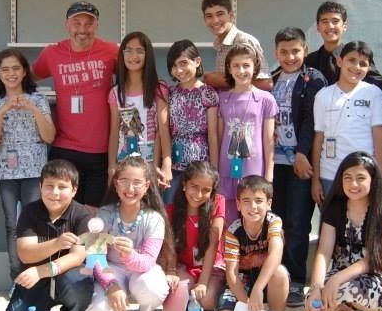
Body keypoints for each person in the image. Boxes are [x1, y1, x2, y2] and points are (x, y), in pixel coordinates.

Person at [305, 152, 382, 311]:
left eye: (361, 178)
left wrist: (336, 280)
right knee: (315, 298)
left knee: (346, 288)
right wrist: (316, 287)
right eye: (347, 178)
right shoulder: (334, 207)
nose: (353, 184)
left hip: (376, 275)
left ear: (373, 180)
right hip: (342, 272)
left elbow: (371, 261)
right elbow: (324, 252)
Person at [32, 1, 119, 206]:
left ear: (96, 26)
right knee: (62, 212)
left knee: (92, 216)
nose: (82, 29)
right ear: (67, 25)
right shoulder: (52, 53)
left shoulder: (111, 51)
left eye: (88, 24)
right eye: (76, 23)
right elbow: (24, 79)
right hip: (65, 149)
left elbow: (135, 75)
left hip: (101, 151)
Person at [1, 160, 95, 311]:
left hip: (66, 278)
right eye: (49, 186)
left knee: (80, 280)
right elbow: (25, 254)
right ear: (40, 187)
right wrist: (56, 244)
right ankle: (39, 309)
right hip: (35, 282)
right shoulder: (29, 212)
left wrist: (43, 270)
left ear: (74, 190)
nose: (55, 193)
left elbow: (78, 257)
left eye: (62, 187)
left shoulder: (82, 215)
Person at [0, 48, 56, 280]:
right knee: (12, 225)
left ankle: (37, 275)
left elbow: (49, 136)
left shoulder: (38, 99)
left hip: (35, 172)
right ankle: (17, 276)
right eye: (5, 69)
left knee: (35, 222)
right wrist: (2, 111)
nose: (11, 74)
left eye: (16, 68)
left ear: (25, 71)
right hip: (7, 174)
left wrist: (32, 108)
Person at [269, 27, 328, 307]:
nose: (290, 56)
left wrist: (303, 153)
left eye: (295, 51)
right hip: (275, 163)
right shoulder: (271, 79)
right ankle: (274, 277)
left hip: (299, 164)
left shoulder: (313, 79)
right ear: (276, 52)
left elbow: (311, 120)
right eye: (284, 51)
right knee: (276, 222)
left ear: (305, 50)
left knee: (297, 222)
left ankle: (295, 281)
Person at [85, 156, 172, 311]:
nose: (130, 189)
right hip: (112, 268)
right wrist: (111, 286)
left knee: (153, 289)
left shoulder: (154, 218)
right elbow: (95, 257)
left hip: (141, 271)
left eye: (137, 183)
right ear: (116, 184)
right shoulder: (104, 214)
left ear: (146, 186)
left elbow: (148, 261)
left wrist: (130, 254)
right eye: (124, 181)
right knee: (99, 309)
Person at [217, 175, 293, 311]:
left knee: (279, 272)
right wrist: (247, 305)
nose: (253, 207)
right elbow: (231, 274)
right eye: (246, 201)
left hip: (265, 280)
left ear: (269, 203)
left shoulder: (273, 222)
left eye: (259, 201)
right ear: (238, 204)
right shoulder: (233, 231)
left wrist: (258, 288)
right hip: (242, 279)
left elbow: (276, 253)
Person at [311, 41, 382, 206]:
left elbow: (380, 138)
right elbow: (318, 140)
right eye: (351, 60)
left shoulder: (373, 93)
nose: (356, 67)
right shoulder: (323, 95)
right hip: (329, 175)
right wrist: (316, 180)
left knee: (362, 220)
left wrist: (379, 177)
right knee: (331, 221)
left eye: (363, 64)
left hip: (363, 175)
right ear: (340, 61)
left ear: (368, 68)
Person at [217, 44, 278, 214]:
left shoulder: (266, 99)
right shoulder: (222, 99)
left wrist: (269, 173)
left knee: (253, 215)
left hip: (254, 170)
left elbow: (268, 140)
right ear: (229, 68)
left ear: (254, 67)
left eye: (246, 65)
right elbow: (219, 138)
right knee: (229, 217)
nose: (241, 71)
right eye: (236, 66)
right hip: (227, 168)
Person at [108, 31, 170, 188]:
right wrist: (111, 166)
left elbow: (162, 129)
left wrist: (164, 163)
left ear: (147, 55)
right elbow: (114, 132)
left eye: (139, 51)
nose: (133, 56)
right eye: (128, 50)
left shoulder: (159, 89)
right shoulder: (115, 92)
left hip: (150, 165)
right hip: (124, 165)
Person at [165, 162, 226, 311]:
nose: (199, 194)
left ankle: (202, 302)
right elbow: (170, 246)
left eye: (206, 190)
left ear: (212, 191)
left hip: (211, 266)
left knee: (207, 300)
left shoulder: (218, 202)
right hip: (184, 266)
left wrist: (203, 282)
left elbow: (213, 244)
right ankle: (186, 304)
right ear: (184, 184)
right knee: (179, 289)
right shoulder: (172, 210)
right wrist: (171, 271)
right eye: (194, 187)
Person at [164, 39, 219, 202]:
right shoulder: (170, 93)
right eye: (174, 66)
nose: (179, 70)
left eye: (183, 63)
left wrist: (214, 170)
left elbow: (213, 135)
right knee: (171, 207)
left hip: (201, 167)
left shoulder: (208, 93)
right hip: (175, 166)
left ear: (197, 61)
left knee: (198, 210)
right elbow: (164, 131)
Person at [304, 1, 382, 91]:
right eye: (325, 21)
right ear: (318, 27)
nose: (330, 26)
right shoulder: (309, 60)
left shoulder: (357, 57)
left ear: (344, 26)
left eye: (335, 21)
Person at [200, 0, 272, 91]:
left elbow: (266, 84)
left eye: (220, 14)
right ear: (204, 19)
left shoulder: (244, 41)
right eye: (209, 16)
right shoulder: (219, 44)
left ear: (231, 15)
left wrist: (219, 81)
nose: (215, 20)